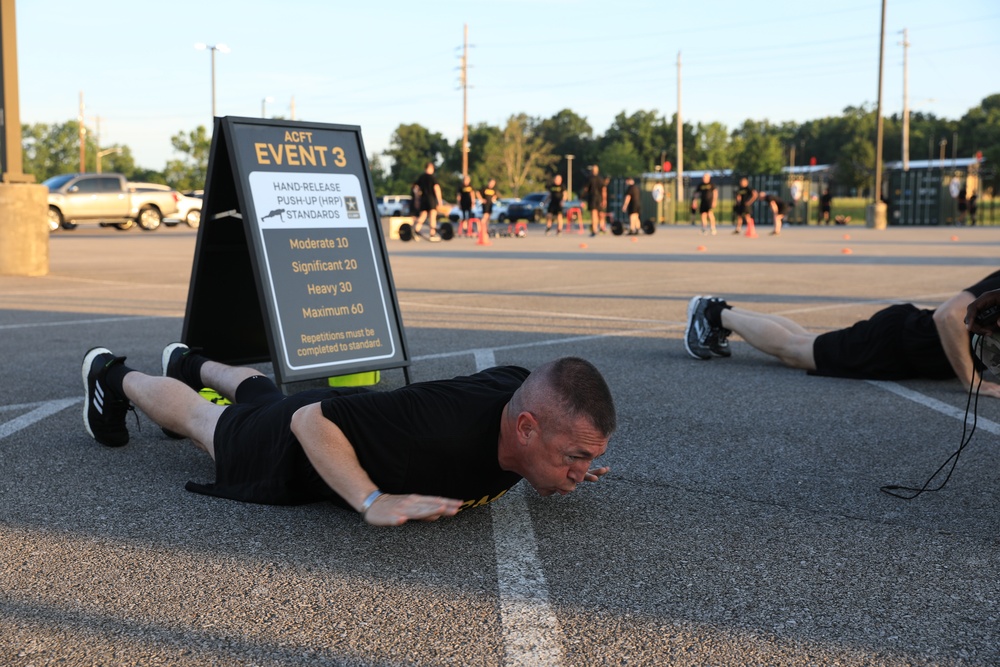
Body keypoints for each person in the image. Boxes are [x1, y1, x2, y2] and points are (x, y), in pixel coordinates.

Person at [81, 345, 617, 526]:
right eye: (573, 455)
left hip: (338, 413)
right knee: (210, 423)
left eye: (584, 459)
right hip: (298, 442)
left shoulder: (520, 396)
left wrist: (565, 461)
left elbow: (539, 390)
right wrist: (370, 499)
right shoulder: (437, 427)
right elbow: (308, 421)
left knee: (265, 393)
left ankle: (190, 360)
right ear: (526, 428)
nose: (578, 469)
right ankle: (111, 373)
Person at [682, 270, 1000, 399]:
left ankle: (720, 311)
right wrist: (973, 381)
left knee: (804, 340)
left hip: (902, 338)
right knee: (795, 351)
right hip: (895, 344)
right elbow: (949, 316)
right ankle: (714, 313)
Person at [413, 162, 443, 241]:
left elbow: (416, 188)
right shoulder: (432, 178)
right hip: (431, 199)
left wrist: (417, 199)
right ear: (430, 168)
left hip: (423, 199)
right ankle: (432, 234)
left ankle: (416, 230)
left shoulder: (421, 177)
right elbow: (436, 189)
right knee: (432, 216)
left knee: (423, 215)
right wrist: (440, 200)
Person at [582, 165, 605, 237]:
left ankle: (594, 230)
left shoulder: (589, 178)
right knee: (600, 213)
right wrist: (604, 200)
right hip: (599, 198)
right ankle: (601, 227)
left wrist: (582, 196)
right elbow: (604, 190)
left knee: (594, 214)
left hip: (592, 198)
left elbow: (585, 189)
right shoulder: (601, 179)